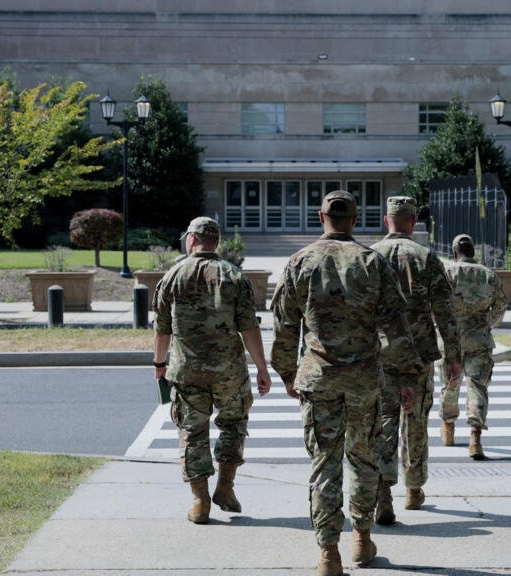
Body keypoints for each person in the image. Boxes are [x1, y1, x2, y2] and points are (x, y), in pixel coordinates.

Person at [271, 190, 423, 576]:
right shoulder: (372, 261)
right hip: (364, 382)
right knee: (363, 459)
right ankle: (361, 537)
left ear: (320, 216)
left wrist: (289, 374)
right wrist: (407, 375)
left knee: (325, 465)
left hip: (318, 378)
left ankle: (327, 553)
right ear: (355, 220)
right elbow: (395, 326)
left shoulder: (299, 262)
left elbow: (285, 328)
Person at [152, 216, 272, 525]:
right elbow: (249, 327)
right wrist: (261, 368)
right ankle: (225, 486)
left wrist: (159, 364)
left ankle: (199, 499)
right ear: (215, 242)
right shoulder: (233, 276)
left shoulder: (173, 276)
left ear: (191, 240)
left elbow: (162, 330)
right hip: (228, 372)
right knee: (233, 425)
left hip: (187, 371)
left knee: (192, 433)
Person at [370, 196, 462, 524]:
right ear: (413, 221)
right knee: (416, 422)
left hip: (380, 356)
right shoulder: (427, 258)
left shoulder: (370, 256)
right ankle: (413, 489)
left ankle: (382, 492)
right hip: (418, 355)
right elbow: (445, 312)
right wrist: (453, 355)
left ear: (387, 220)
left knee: (382, 424)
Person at [438, 234, 507, 460]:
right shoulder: (488, 275)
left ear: (455, 251)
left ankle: (448, 428)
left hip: (451, 339)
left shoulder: (447, 274)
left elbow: (436, 306)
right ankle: (475, 437)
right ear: (473, 251)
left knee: (450, 384)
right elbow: (500, 308)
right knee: (478, 386)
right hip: (479, 338)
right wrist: (486, 324)